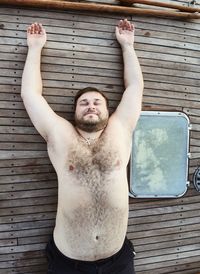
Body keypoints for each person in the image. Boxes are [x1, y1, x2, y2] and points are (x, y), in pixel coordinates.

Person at [21, 18, 143, 274]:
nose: (91, 106)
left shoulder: (120, 130)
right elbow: (31, 95)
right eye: (84, 103)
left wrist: (128, 46)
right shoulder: (60, 134)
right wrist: (35, 48)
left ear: (109, 111)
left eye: (97, 102)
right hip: (68, 263)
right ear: (74, 111)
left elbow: (134, 87)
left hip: (118, 261)